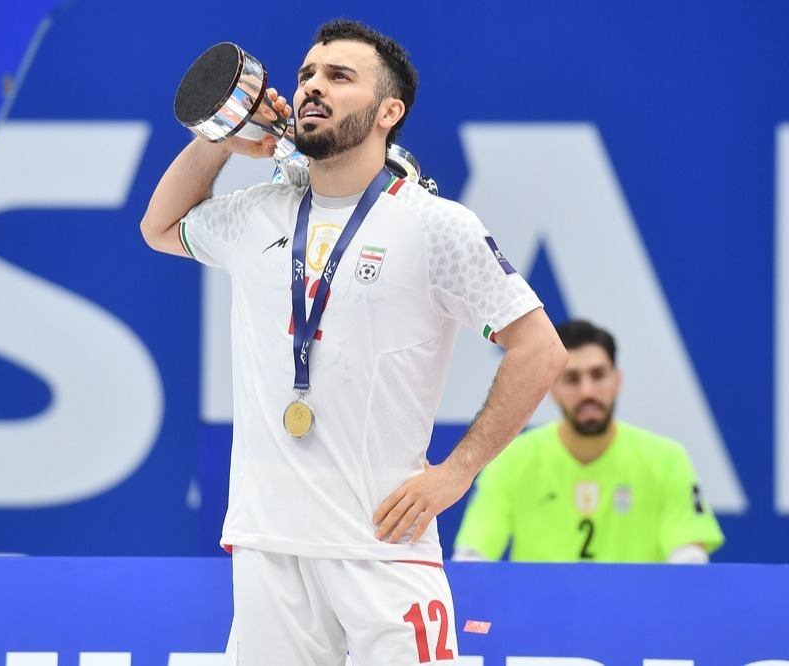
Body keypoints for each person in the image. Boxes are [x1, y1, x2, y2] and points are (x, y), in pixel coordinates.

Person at [140, 19, 567, 664]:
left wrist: (457, 473)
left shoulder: (434, 225)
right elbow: (160, 227)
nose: (312, 86)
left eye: (340, 76)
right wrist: (222, 139)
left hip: (383, 546)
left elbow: (541, 350)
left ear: (388, 112)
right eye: (306, 74)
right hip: (269, 545)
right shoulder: (258, 211)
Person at [452, 319, 725, 564]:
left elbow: (690, 562)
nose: (587, 392)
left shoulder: (667, 460)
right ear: (551, 389)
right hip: (544, 606)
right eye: (572, 379)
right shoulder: (511, 460)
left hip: (638, 606)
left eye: (598, 375)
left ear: (617, 381)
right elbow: (472, 558)